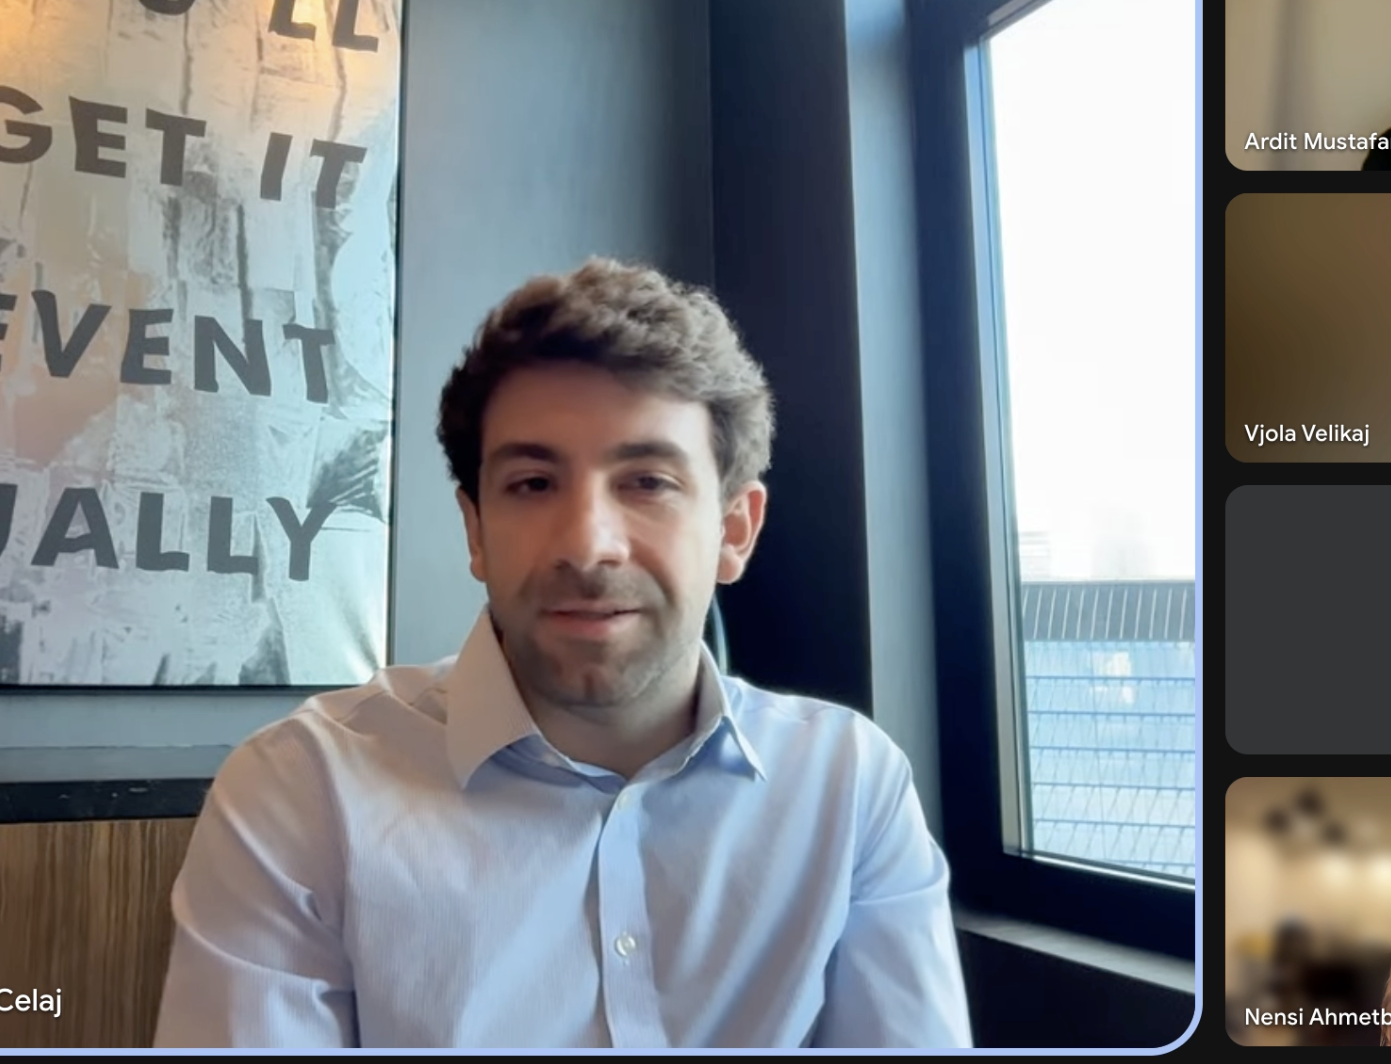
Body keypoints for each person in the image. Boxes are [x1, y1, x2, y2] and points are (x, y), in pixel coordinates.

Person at [152, 258, 973, 1049]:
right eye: (533, 484)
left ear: (733, 530)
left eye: (647, 482)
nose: (587, 545)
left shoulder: (848, 787)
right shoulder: (302, 793)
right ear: (475, 531)